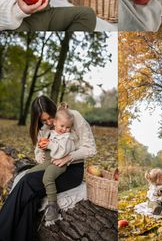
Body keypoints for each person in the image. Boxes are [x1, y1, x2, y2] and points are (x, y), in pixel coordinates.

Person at [0, 95, 97, 241]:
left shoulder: (72, 117)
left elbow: (91, 149)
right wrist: (42, 150)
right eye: (44, 120)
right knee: (30, 198)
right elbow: (38, 156)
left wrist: (67, 157)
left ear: (54, 110)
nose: (49, 122)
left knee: (26, 181)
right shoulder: (45, 129)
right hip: (51, 166)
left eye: (50, 118)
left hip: (71, 171)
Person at [26, 107, 76, 223]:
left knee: (47, 177)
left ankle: (53, 205)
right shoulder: (51, 133)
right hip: (49, 160)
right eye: (62, 126)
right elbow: (44, 147)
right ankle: (34, 197)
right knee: (30, 173)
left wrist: (50, 145)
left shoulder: (67, 138)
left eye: (68, 127)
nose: (64, 129)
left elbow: (62, 152)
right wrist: (41, 148)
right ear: (55, 123)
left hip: (59, 163)